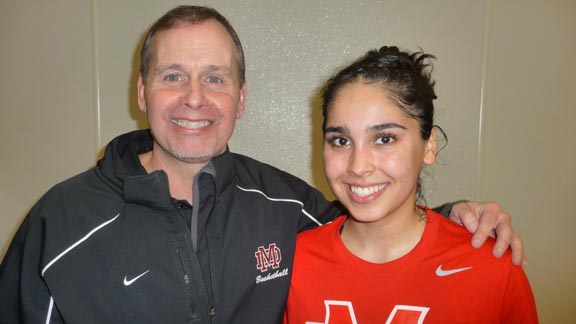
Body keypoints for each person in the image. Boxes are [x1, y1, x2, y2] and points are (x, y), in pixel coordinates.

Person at [0, 6, 523, 324]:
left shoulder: (287, 206)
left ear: (242, 97)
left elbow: (371, 216)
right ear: (141, 91)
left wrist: (457, 215)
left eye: (216, 78)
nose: (195, 99)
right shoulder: (59, 224)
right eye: (173, 76)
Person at [284, 46, 538, 323]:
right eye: (341, 141)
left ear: (429, 147)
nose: (358, 166)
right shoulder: (292, 264)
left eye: (384, 139)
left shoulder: (491, 268)